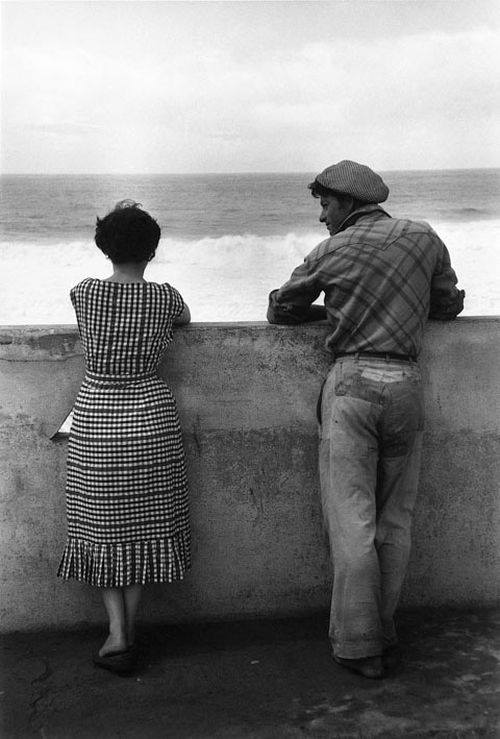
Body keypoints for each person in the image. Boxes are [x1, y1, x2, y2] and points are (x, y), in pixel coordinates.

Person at [267, 161, 464, 679]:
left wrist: (332, 313)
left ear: (349, 204)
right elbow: (448, 304)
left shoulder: (331, 250)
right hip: (406, 385)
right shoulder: (424, 237)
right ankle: (384, 629)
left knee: (352, 520)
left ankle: (359, 645)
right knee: (395, 520)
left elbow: (281, 308)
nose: (322, 217)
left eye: (325, 205)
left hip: (352, 384)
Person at [58, 200, 191, 674]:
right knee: (143, 529)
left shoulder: (84, 292)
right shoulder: (166, 298)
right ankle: (127, 635)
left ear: (104, 248)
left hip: (97, 420)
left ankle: (116, 632)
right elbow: (185, 317)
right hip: (151, 420)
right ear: (152, 251)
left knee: (102, 527)